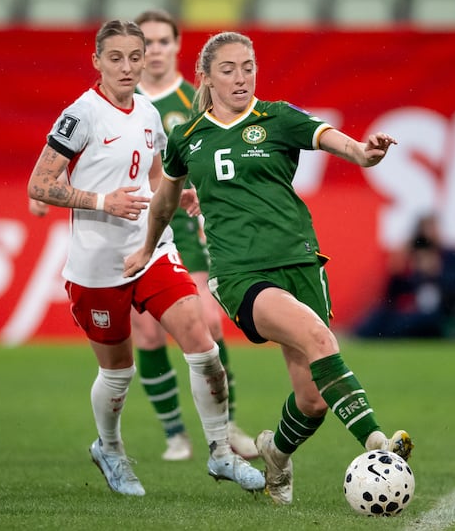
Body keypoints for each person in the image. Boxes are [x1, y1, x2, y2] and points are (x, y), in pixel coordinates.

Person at [124, 31, 413, 505]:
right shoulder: (187, 137)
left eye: (248, 67)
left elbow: (326, 136)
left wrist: (362, 152)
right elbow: (163, 204)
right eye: (228, 69)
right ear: (207, 77)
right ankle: (378, 445)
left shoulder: (276, 117)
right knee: (321, 341)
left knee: (313, 399)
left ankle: (275, 453)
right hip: (241, 277)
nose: (241, 78)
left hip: (301, 264)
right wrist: (146, 250)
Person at [26, 20, 264, 497]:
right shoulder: (81, 115)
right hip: (98, 266)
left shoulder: (150, 112)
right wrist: (101, 202)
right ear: (97, 61)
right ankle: (110, 449)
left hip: (151, 250)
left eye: (135, 57)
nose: (128, 66)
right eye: (116, 58)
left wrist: (181, 195)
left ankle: (220, 452)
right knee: (118, 372)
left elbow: (156, 178)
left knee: (203, 343)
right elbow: (39, 185)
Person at [131, 9, 256, 461]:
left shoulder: (196, 100)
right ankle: (175, 434)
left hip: (187, 230)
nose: (156, 50)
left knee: (208, 320)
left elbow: (227, 152)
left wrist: (206, 194)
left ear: (178, 46)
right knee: (147, 333)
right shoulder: (123, 103)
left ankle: (225, 426)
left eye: (163, 41)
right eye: (147, 42)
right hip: (136, 228)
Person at [355, 214, 455, 339]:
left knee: (421, 320)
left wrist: (436, 273)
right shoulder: (416, 258)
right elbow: (392, 296)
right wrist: (399, 271)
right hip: (421, 311)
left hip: (447, 312)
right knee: (381, 317)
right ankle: (362, 335)